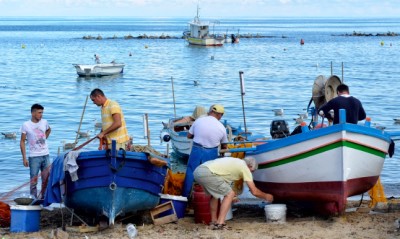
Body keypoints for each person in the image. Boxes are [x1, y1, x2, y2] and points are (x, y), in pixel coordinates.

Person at [194, 156, 274, 230]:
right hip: (207, 172)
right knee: (230, 194)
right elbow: (254, 191)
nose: (251, 173)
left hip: (199, 171)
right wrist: (266, 196)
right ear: (249, 166)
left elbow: (225, 185)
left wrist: (233, 196)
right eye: (252, 171)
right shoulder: (244, 167)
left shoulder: (236, 163)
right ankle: (220, 223)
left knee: (215, 195)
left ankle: (214, 222)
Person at [182, 104, 228, 197]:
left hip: (197, 149)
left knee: (191, 172)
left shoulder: (199, 120)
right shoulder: (221, 127)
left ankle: (185, 196)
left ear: (210, 112)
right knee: (209, 175)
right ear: (220, 115)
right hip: (211, 152)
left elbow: (189, 136)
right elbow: (224, 145)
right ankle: (207, 197)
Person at [20, 103, 51, 199]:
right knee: (33, 180)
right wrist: (24, 158)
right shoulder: (26, 125)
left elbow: (49, 130)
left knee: (46, 179)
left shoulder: (44, 122)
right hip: (34, 156)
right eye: (39, 113)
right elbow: (22, 141)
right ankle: (33, 199)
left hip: (46, 155)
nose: (41, 115)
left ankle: (44, 198)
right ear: (33, 113)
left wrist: (44, 138)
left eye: (42, 113)